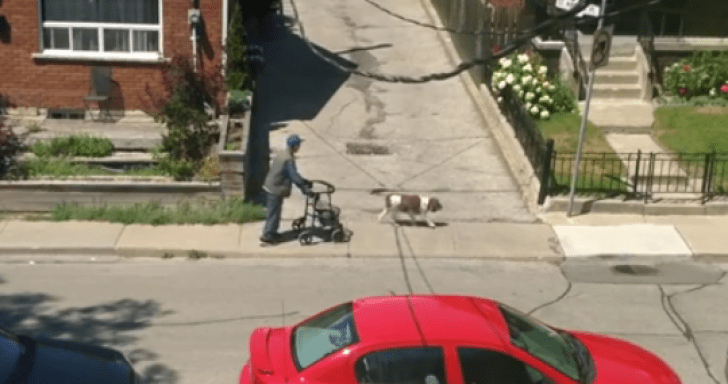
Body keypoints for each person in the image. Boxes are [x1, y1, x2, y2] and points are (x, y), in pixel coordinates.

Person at [260, 134, 312, 243]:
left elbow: (292, 174)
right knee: (274, 212)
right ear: (295, 146)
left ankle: (270, 232)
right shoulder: (288, 159)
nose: (299, 147)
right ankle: (268, 235)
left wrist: (304, 181)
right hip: (275, 188)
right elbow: (293, 176)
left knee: (274, 212)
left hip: (271, 186)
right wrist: (304, 186)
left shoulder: (283, 153)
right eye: (299, 145)